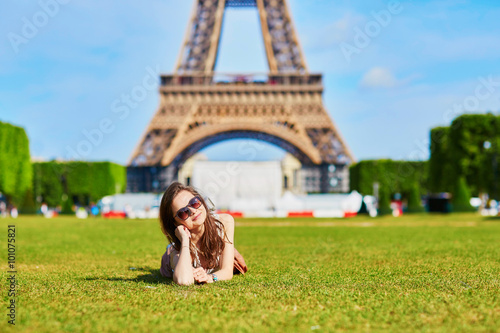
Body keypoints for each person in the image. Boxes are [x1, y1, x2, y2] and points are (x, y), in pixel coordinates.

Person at [159, 182, 235, 285]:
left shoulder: (224, 222)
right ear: (175, 223)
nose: (193, 211)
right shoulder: (176, 251)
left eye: (194, 202)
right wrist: (185, 240)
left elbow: (227, 270)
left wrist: (209, 277)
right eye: (183, 213)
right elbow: (184, 281)